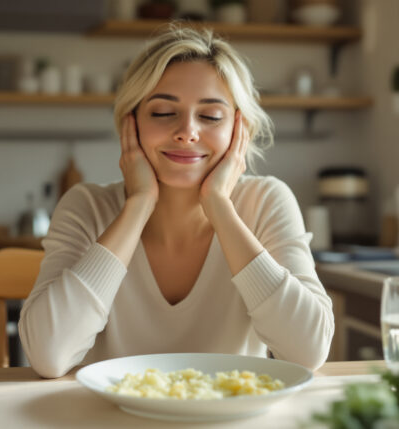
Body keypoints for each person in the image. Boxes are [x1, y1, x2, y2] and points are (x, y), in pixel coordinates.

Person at [19, 25, 334, 378]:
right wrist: (138, 204)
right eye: (163, 113)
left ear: (238, 129)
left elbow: (307, 351)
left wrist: (219, 207)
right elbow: (48, 355)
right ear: (132, 122)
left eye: (211, 116)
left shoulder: (267, 202)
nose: (187, 131)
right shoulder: (85, 207)